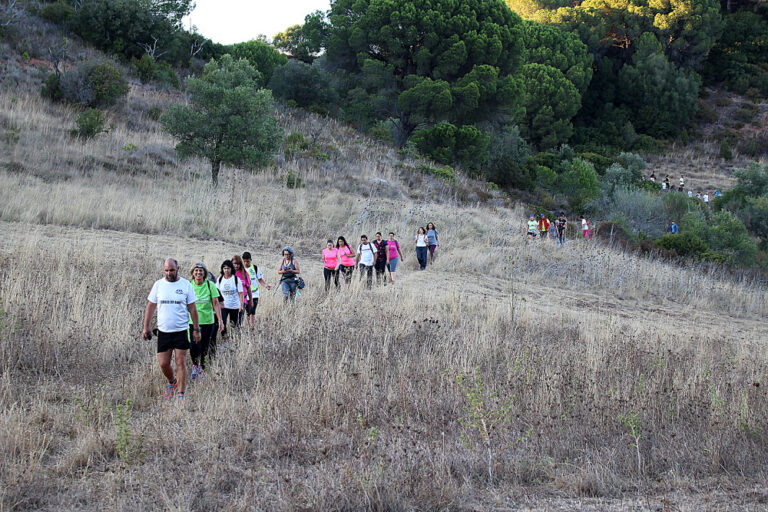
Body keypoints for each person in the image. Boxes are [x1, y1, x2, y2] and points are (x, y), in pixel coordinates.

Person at [142, 258, 200, 401]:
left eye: (172, 270)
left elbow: (192, 308)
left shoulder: (186, 285)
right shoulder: (158, 285)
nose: (169, 273)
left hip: (181, 330)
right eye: (166, 271)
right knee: (163, 363)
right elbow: (150, 306)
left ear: (177, 268)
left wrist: (196, 329)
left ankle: (181, 394)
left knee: (181, 361)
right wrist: (146, 327)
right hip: (163, 331)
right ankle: (172, 382)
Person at [188, 262, 223, 380]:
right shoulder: (188, 285)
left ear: (205, 273)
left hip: (208, 321)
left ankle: (202, 367)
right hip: (192, 321)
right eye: (196, 270)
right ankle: (195, 365)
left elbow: (216, 303)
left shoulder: (210, 285)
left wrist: (220, 320)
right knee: (193, 345)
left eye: (201, 271)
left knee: (204, 345)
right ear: (193, 273)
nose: (198, 273)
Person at [242, 252, 271, 327]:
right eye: (244, 261)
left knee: (252, 310)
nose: (246, 263)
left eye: (247, 261)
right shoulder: (241, 270)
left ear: (250, 260)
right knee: (248, 312)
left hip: (254, 293)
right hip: (245, 294)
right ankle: (249, 325)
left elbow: (260, 279)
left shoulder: (255, 268)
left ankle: (252, 325)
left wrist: (266, 285)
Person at [217, 260, 243, 340]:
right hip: (223, 306)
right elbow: (216, 292)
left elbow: (241, 293)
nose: (226, 270)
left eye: (228, 268)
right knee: (223, 323)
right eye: (224, 268)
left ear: (231, 269)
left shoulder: (236, 279)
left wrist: (241, 305)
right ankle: (225, 339)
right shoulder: (220, 279)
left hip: (234, 306)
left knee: (234, 324)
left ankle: (235, 339)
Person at [232, 254, 252, 326]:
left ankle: (238, 333)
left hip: (242, 300)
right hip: (232, 300)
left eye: (238, 264)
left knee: (239, 319)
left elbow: (248, 288)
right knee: (233, 321)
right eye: (234, 264)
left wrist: (251, 300)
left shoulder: (244, 274)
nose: (236, 266)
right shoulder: (229, 273)